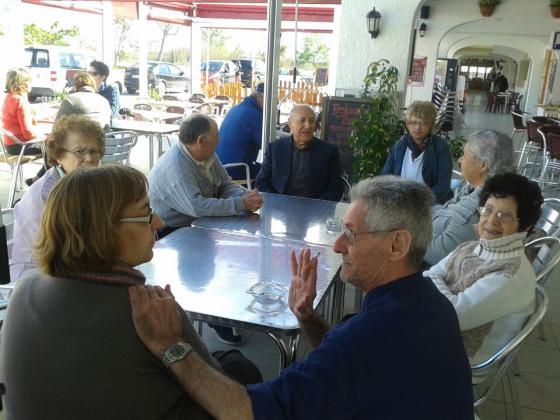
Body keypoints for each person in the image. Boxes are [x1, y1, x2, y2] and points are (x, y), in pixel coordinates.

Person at [128, 176, 474, 420]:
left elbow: (247, 412)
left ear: (397, 244)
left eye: (351, 235)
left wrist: (171, 346)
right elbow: (354, 364)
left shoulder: (378, 332)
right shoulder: (425, 302)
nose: (338, 246)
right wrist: (306, 316)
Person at [0, 165, 260, 419]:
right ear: (105, 230)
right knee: (239, 368)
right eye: (146, 213)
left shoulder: (25, 289)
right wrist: (174, 344)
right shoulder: (146, 310)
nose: (159, 222)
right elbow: (220, 393)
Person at [425, 172, 543, 367]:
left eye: (505, 215)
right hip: (435, 330)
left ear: (525, 227)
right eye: (487, 210)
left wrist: (435, 279)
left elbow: (452, 315)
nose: (491, 221)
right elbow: (428, 275)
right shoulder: (473, 246)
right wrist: (436, 281)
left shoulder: (510, 275)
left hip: (456, 360)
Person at [10, 115, 105, 281]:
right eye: (80, 151)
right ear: (59, 155)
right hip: (38, 275)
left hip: (69, 268)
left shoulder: (84, 181)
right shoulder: (50, 193)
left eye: (94, 151)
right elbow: (57, 255)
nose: (89, 158)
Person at [149, 113, 263, 236]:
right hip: (174, 232)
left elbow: (225, 185)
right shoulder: (176, 167)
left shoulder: (207, 154)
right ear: (201, 141)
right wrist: (241, 204)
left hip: (202, 223)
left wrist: (246, 197)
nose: (219, 140)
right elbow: (197, 206)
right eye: (216, 135)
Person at [424, 129, 514, 266]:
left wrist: (407, 230)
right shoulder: (476, 189)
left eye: (465, 155)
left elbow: (439, 254)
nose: (460, 159)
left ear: (483, 165)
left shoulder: (478, 210)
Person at [255, 104, 343, 201]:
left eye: (311, 121)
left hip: (315, 206)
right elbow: (261, 182)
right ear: (290, 124)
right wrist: (278, 202)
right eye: (302, 120)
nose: (308, 126)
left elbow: (336, 187)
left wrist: (318, 206)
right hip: (281, 205)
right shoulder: (275, 149)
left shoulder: (328, 151)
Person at [380, 101, 452, 204]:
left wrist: (419, 203)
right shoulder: (400, 145)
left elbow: (443, 186)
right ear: (407, 124)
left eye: (423, 123)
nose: (418, 128)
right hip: (400, 202)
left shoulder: (440, 148)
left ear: (431, 125)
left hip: (429, 205)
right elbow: (385, 176)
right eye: (413, 122)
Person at [1, 67, 46, 184]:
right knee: (54, 147)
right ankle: (40, 181)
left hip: (9, 145)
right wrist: (45, 137)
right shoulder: (20, 102)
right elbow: (28, 134)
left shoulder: (9, 98)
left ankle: (38, 179)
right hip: (21, 146)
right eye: (28, 81)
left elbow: (15, 121)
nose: (30, 84)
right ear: (21, 84)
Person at [216, 83, 264, 180]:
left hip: (219, 165)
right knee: (272, 171)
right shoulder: (254, 114)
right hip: (235, 169)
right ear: (261, 98)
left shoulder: (237, 108)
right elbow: (267, 143)